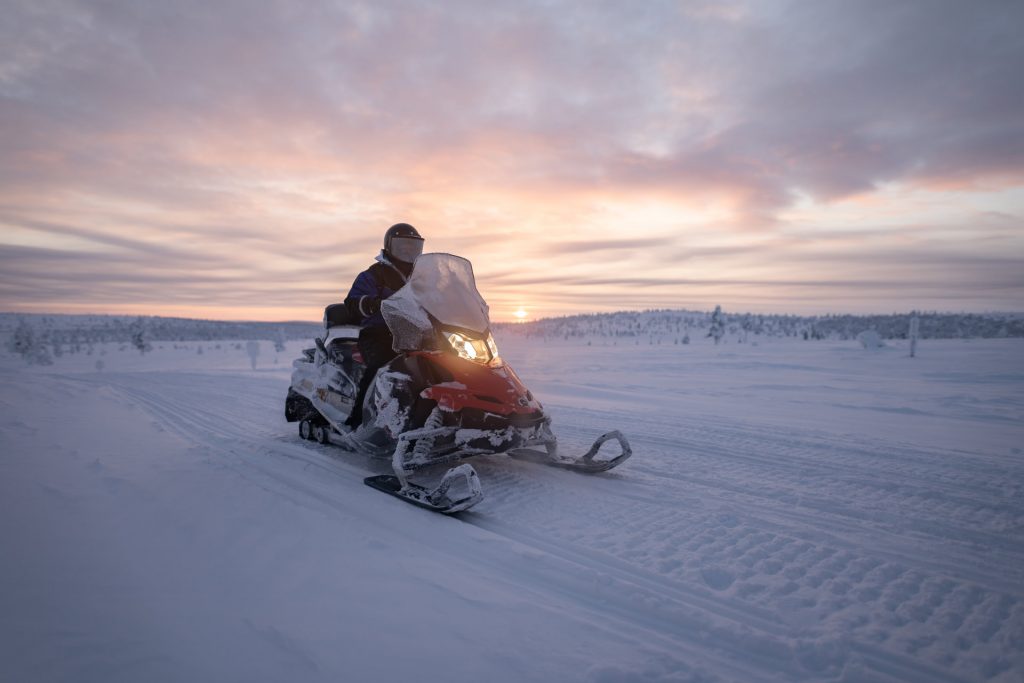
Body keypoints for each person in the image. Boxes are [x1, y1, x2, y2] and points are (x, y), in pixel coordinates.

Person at [342, 223, 425, 428]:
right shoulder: (374, 274)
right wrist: (373, 304)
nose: (408, 250)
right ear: (389, 246)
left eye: (413, 247)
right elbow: (352, 302)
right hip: (380, 331)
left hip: (417, 332)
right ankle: (359, 419)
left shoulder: (423, 277)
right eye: (402, 246)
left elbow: (439, 298)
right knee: (381, 365)